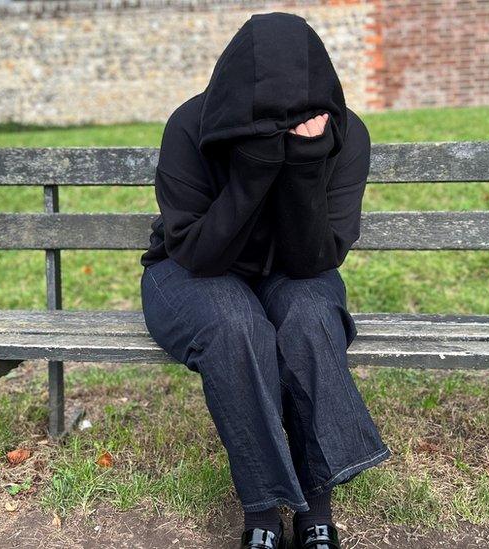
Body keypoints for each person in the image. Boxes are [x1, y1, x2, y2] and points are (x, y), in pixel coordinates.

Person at [139, 12, 390, 549]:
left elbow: (315, 259)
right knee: (236, 327)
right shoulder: (191, 126)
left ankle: (316, 508)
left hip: (292, 269)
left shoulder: (343, 134)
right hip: (190, 271)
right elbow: (199, 253)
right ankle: (262, 515)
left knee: (309, 317)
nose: (281, 124)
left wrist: (302, 163)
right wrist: (252, 168)